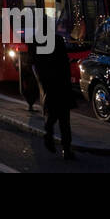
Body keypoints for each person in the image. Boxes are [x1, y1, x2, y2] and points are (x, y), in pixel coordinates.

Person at [32, 21, 75, 160]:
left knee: (52, 114)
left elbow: (35, 63)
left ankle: (49, 134)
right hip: (61, 83)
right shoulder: (57, 40)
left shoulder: (36, 42)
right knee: (64, 119)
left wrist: (41, 81)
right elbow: (64, 62)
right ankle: (66, 149)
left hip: (49, 84)